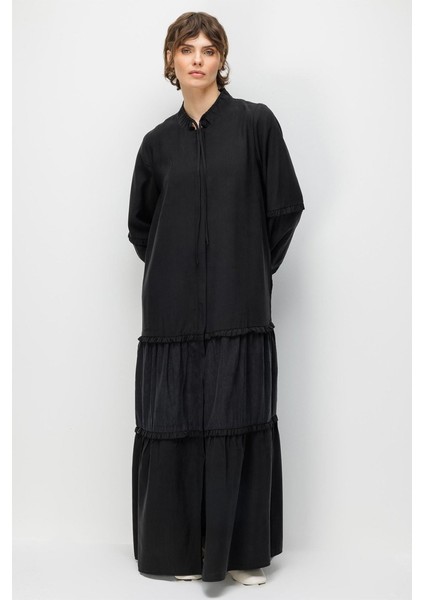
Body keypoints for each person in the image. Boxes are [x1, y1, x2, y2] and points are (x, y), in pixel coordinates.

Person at [128, 11, 305, 585]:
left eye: (208, 49)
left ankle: (241, 552)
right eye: (187, 49)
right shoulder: (156, 144)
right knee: (177, 416)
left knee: (238, 412)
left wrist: (249, 266)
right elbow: (141, 227)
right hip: (171, 310)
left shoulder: (256, 123)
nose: (198, 59)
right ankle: (179, 552)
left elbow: (284, 207)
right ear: (172, 60)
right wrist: (176, 268)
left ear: (222, 60)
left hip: (239, 301)